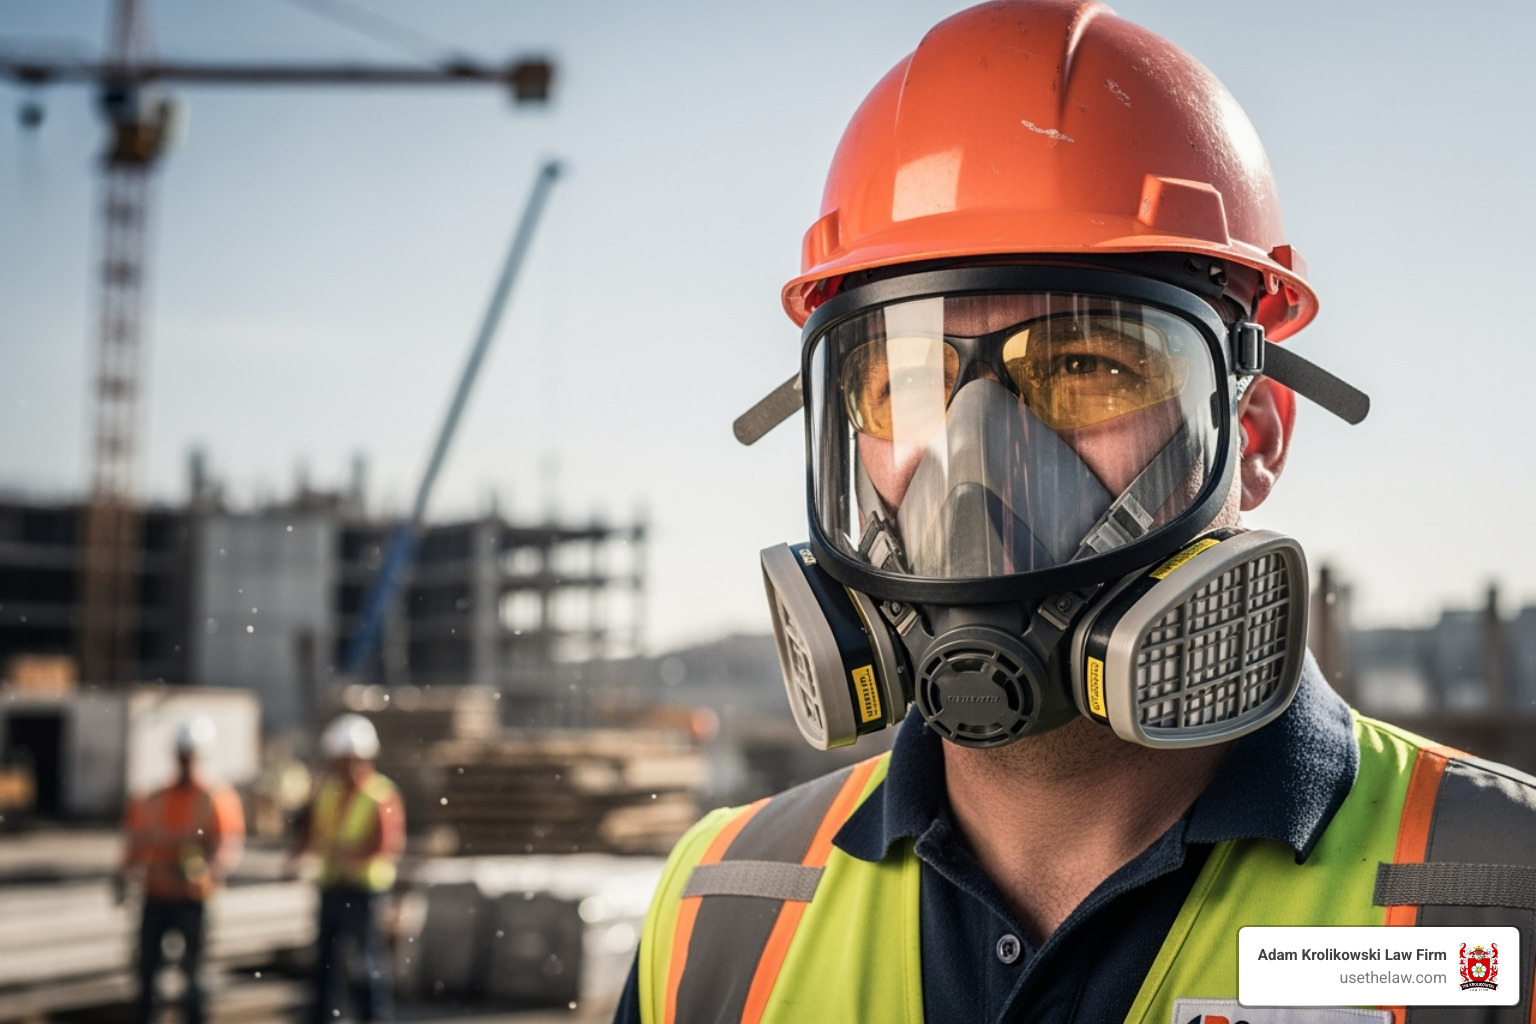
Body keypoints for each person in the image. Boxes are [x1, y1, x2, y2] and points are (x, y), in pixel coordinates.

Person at [617, 3, 1536, 1023]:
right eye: (905, 383)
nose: (975, 457)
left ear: (1261, 432)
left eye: (1089, 366)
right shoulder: (724, 916)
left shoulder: (1495, 912)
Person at [119, 716, 246, 1024]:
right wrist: (121, 875)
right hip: (156, 894)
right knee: (147, 970)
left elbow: (225, 847)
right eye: (183, 754)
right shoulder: (153, 798)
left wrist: (207, 872)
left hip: (193, 899)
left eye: (191, 755)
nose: (186, 762)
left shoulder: (215, 798)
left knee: (194, 974)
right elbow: (136, 842)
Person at [291, 713, 404, 1024]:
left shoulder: (380, 794)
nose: (335, 766)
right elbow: (312, 830)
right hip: (332, 887)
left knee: (367, 965)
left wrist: (347, 855)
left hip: (365, 891)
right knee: (325, 965)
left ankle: (373, 1018)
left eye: (340, 760)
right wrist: (300, 852)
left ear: (356, 759)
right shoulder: (329, 790)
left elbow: (387, 845)